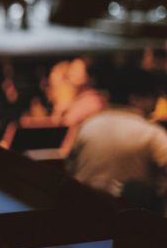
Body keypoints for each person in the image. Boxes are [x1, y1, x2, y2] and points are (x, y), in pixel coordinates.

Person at [66, 68, 167, 214]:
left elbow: (70, 168)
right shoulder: (150, 133)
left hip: (81, 214)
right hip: (126, 219)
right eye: (154, 97)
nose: (155, 104)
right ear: (135, 99)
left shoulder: (88, 125)